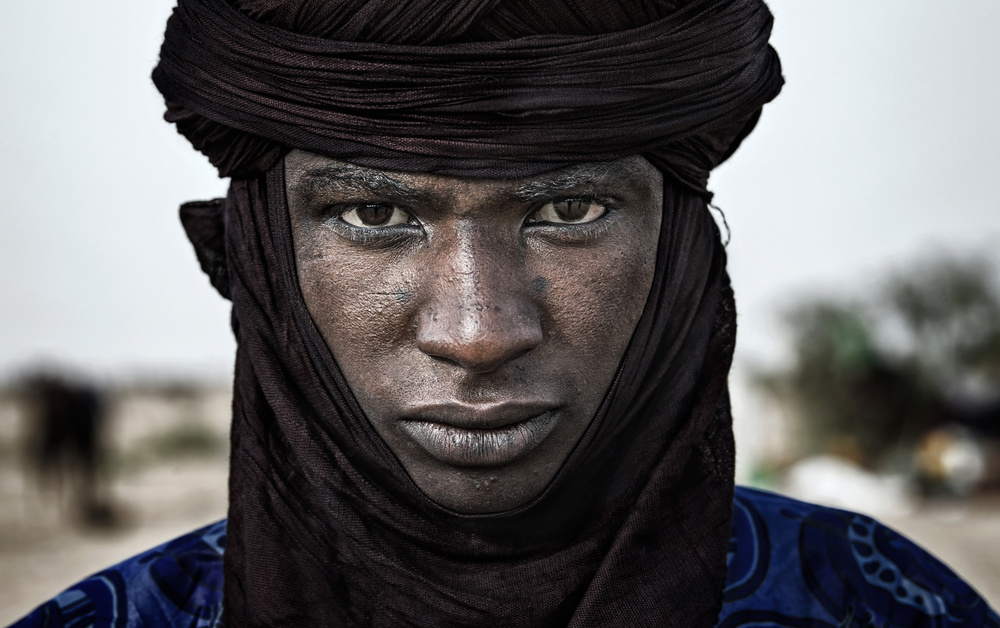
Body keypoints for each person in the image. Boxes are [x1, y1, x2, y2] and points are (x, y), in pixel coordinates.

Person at [11, 0, 999, 626]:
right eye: (375, 213)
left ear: (681, 252)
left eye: (568, 211)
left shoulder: (889, 605)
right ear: (264, 255)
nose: (478, 332)